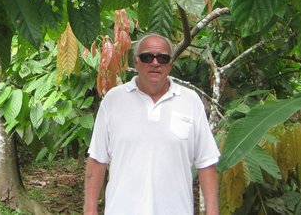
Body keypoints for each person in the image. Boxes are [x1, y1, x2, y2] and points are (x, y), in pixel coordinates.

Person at [84, 33, 220, 215]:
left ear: (170, 64)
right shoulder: (113, 100)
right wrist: (90, 209)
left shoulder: (190, 101)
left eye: (162, 58)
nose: (155, 63)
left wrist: (212, 211)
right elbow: (97, 160)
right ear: (136, 61)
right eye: (147, 57)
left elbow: (206, 163)